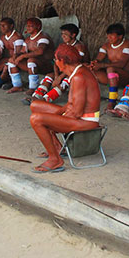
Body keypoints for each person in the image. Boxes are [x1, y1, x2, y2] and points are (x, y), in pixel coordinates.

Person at [29, 44, 101, 173]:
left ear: (62, 61)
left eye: (56, 59)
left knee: (36, 119)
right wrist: (57, 115)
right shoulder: (76, 73)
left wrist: (54, 120)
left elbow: (77, 112)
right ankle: (57, 148)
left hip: (86, 122)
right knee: (35, 105)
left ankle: (55, 160)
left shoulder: (79, 77)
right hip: (78, 116)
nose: (55, 62)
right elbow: (71, 104)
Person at [29, 23, 89, 103]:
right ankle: (36, 96)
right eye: (62, 34)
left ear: (73, 35)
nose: (63, 36)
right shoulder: (64, 46)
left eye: (65, 34)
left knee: (66, 81)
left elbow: (75, 66)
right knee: (49, 76)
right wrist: (57, 76)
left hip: (78, 71)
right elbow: (56, 61)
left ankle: (46, 99)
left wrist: (60, 78)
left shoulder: (79, 47)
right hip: (66, 71)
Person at [90, 23, 129, 110]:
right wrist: (94, 64)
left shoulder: (128, 45)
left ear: (120, 36)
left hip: (127, 76)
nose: (109, 38)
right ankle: (88, 97)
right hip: (112, 78)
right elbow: (99, 59)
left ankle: (112, 101)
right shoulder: (106, 46)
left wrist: (102, 65)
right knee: (91, 70)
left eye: (112, 36)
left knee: (110, 69)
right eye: (108, 36)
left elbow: (122, 64)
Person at [6, 17, 54, 94]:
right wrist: (15, 56)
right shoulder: (28, 39)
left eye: (30, 26)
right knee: (12, 62)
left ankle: (33, 87)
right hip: (35, 65)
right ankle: (17, 86)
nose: (27, 28)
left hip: (47, 65)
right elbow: (22, 51)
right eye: (27, 26)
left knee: (31, 60)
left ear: (38, 27)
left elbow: (40, 51)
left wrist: (22, 56)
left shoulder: (43, 37)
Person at [0, 18, 25, 89]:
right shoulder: (2, 37)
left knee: (6, 67)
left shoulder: (17, 37)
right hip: (9, 59)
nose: (2, 27)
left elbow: (17, 54)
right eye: (1, 25)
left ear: (11, 26)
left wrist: (4, 64)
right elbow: (0, 51)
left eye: (4, 25)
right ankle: (0, 79)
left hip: (17, 60)